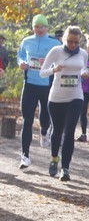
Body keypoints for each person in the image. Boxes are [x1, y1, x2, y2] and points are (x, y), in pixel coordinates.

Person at [38, 26, 89, 181]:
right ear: (64, 38)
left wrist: (85, 73)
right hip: (56, 97)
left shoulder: (83, 53)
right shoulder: (56, 51)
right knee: (57, 131)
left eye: (75, 42)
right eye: (69, 41)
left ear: (79, 41)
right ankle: (54, 158)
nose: (72, 45)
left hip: (76, 96)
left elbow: (83, 69)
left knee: (69, 132)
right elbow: (42, 72)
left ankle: (65, 169)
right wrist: (55, 69)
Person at [17, 14, 61, 169]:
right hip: (29, 84)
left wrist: (52, 67)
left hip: (47, 85)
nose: (39, 29)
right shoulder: (26, 41)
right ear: (33, 28)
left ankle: (44, 131)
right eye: (36, 27)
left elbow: (60, 60)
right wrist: (21, 62)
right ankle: (25, 156)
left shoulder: (54, 43)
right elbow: (20, 55)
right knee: (27, 120)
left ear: (47, 27)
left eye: (42, 27)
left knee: (44, 116)